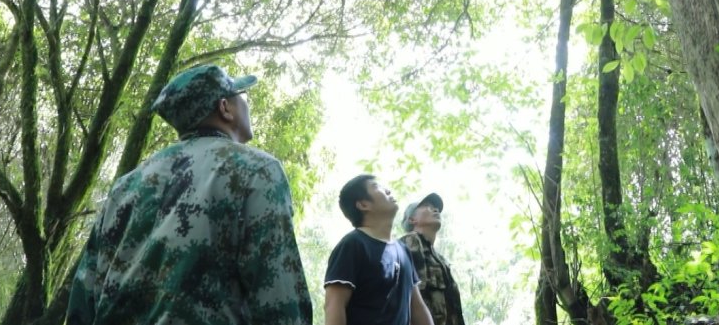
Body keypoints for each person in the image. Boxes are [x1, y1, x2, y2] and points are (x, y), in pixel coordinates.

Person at [67, 64, 313, 325]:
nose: (245, 103)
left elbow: (84, 294)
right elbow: (279, 294)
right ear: (225, 108)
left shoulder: (126, 185)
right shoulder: (257, 171)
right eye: (240, 94)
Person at [324, 174, 434, 325]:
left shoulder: (403, 250)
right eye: (377, 187)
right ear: (363, 205)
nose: (388, 191)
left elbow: (417, 307)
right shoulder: (352, 245)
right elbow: (334, 306)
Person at [399, 193, 466, 325]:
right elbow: (409, 298)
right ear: (412, 219)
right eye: (427, 207)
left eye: (436, 208)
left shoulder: (440, 260)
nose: (435, 210)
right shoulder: (410, 242)